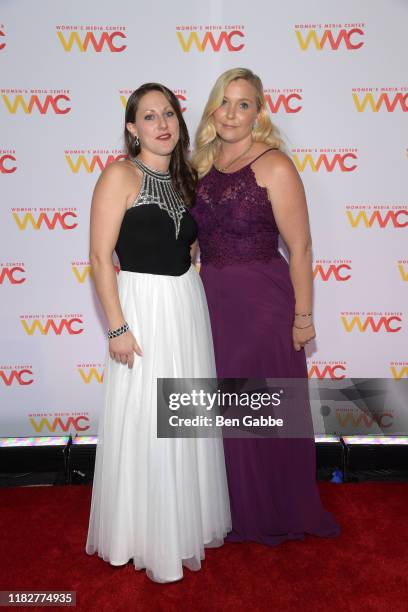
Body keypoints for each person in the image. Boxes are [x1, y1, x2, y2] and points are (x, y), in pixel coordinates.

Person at [85, 83, 231, 582]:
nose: (162, 124)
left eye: (168, 113)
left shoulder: (188, 181)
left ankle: (181, 525)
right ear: (132, 128)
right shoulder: (118, 176)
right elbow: (100, 259)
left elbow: (189, 250)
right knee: (143, 418)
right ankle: (138, 534)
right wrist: (117, 326)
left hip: (184, 307)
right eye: (149, 117)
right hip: (141, 310)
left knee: (181, 416)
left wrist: (190, 288)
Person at [191, 68, 340, 545]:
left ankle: (272, 510)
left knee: (261, 408)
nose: (233, 112)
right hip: (211, 300)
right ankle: (230, 508)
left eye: (244, 104)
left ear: (259, 111)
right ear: (213, 108)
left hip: (263, 304)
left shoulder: (275, 165)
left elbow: (301, 248)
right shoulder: (199, 166)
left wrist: (304, 317)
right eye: (226, 102)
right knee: (224, 407)